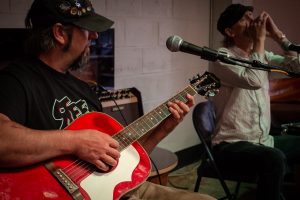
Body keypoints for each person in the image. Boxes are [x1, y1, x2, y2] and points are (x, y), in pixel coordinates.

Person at [0, 0, 216, 199]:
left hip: (115, 191)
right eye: (86, 29)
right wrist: (77, 142)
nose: (94, 36)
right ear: (60, 33)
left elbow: (121, 160)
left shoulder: (85, 90)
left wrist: (164, 127)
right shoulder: (16, 80)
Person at [209, 3, 300, 200]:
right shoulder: (222, 57)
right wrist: (260, 39)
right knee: (274, 158)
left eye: (252, 15)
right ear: (230, 31)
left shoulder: (262, 56)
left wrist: (278, 36)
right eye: (244, 18)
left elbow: (297, 67)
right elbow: (254, 80)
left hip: (263, 142)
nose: (252, 21)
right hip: (230, 144)